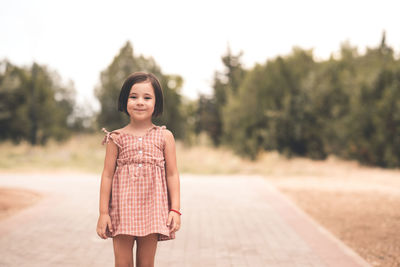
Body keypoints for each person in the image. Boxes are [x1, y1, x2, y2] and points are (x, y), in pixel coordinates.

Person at [96, 72, 181, 267]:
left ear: (156, 103)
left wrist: (175, 209)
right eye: (133, 97)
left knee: (146, 264)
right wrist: (103, 213)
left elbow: (172, 174)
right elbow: (107, 175)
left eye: (147, 97)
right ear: (124, 100)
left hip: (152, 210)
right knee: (122, 263)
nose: (140, 102)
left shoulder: (165, 136)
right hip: (121, 211)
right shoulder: (116, 138)